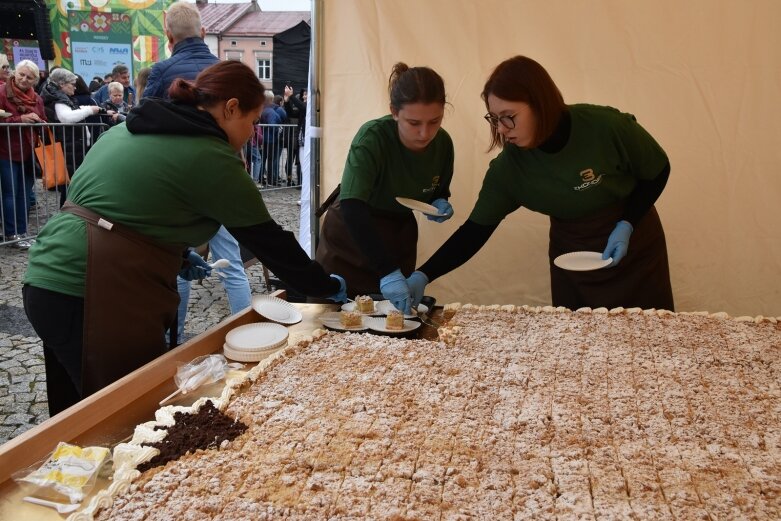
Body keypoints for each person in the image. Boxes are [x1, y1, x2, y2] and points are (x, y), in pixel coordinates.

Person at [22, 60, 347, 415]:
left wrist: (175, 256)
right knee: (123, 413)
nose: (253, 133)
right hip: (91, 290)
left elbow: (125, 207)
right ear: (231, 108)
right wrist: (324, 285)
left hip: (47, 279)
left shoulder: (129, 128)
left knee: (75, 415)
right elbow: (269, 241)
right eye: (252, 122)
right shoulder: (210, 156)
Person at [406, 55, 674, 312]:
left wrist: (627, 224)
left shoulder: (606, 126)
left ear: (539, 103)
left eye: (509, 115)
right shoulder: (509, 170)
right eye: (495, 119)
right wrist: (423, 274)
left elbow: (658, 170)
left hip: (634, 249)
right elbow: (474, 232)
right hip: (572, 257)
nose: (501, 128)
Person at [140, 0, 251, 341]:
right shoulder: (226, 72)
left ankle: (176, 340)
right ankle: (248, 332)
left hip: (176, 188)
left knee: (178, 264)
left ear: (167, 34)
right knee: (231, 262)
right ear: (203, 32)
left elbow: (141, 126)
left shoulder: (160, 72)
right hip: (223, 178)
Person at [315, 63, 455, 312]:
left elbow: (438, 189)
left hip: (398, 233)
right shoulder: (373, 137)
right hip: (352, 233)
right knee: (337, 317)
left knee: (392, 322)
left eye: (435, 121)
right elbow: (352, 205)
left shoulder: (443, 144)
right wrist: (387, 271)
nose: (425, 133)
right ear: (394, 112)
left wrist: (438, 203)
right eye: (414, 123)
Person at [40, 68, 105, 206]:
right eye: (72, 84)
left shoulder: (59, 96)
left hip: (73, 146)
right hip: (69, 148)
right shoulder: (58, 99)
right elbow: (67, 117)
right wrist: (89, 110)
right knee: (71, 187)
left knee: (71, 186)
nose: (75, 87)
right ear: (62, 84)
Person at [0, 60, 46, 249]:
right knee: (10, 193)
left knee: (25, 194)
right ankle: (12, 234)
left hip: (28, 152)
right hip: (6, 150)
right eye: (21, 74)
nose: (24, 79)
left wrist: (40, 122)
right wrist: (20, 119)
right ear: (14, 73)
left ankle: (23, 232)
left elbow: (44, 117)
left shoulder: (37, 98)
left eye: (29, 77)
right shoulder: (2, 92)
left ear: (35, 80)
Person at [142, 1, 218, 100]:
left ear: (169, 35)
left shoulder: (161, 71)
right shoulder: (225, 70)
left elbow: (144, 112)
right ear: (203, 32)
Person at [259, 90, 283, 186]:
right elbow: (272, 125)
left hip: (264, 139)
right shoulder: (270, 112)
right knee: (271, 160)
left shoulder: (263, 110)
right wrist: (279, 129)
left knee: (263, 159)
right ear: (271, 99)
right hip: (271, 139)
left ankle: (262, 178)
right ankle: (270, 179)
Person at [283, 85, 305, 185]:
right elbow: (291, 113)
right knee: (297, 162)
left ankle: (301, 183)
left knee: (301, 163)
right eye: (303, 95)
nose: (304, 97)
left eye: (306, 95)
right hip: (297, 141)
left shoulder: (307, 108)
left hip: (303, 141)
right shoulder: (302, 109)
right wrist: (287, 101)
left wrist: (291, 96)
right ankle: (292, 180)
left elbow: (303, 107)